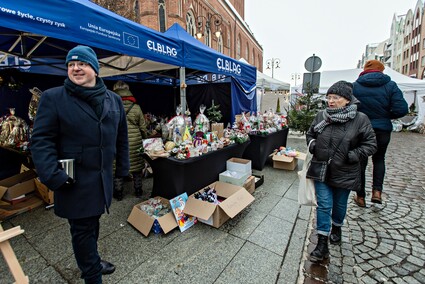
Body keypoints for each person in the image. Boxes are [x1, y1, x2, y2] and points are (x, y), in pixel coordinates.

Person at [31, 45, 129, 284]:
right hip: (72, 182)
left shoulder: (114, 100)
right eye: (71, 65)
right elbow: (41, 141)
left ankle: (92, 259)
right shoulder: (53, 98)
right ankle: (92, 274)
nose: (76, 68)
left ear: (95, 69)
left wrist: (122, 170)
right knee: (82, 230)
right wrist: (53, 177)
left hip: (101, 181)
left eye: (82, 64)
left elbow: (121, 138)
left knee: (92, 224)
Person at [306, 81, 377, 262]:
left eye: (335, 98)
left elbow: (370, 144)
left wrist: (352, 155)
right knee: (324, 204)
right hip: (321, 167)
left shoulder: (360, 119)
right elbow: (311, 133)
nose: (331, 101)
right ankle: (322, 243)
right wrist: (313, 145)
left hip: (344, 170)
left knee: (339, 205)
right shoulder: (321, 115)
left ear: (347, 100)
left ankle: (336, 226)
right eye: (329, 97)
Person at [352, 60, 408, 207]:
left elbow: (351, 108)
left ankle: (360, 196)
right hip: (382, 129)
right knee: (379, 159)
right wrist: (386, 116)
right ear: (382, 71)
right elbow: (401, 109)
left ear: (364, 70)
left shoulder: (356, 86)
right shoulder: (390, 86)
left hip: (361, 129)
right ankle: (377, 192)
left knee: (360, 162)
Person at [112, 80, 148, 200]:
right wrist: (145, 139)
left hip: (117, 141)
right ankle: (138, 190)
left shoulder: (111, 106)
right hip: (134, 141)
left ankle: (119, 193)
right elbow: (143, 127)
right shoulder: (136, 107)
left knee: (118, 167)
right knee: (137, 168)